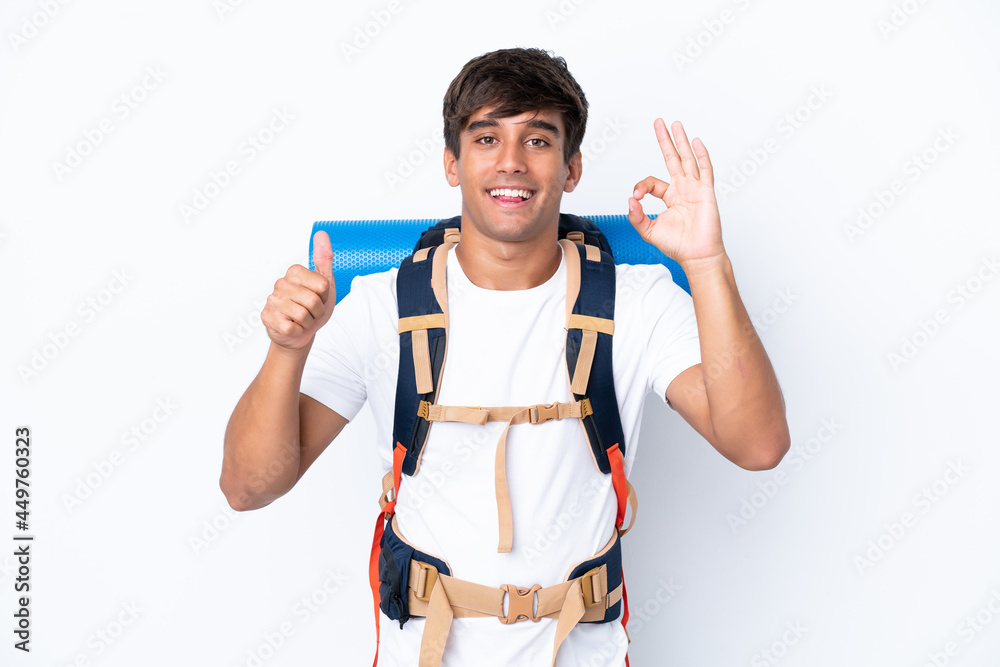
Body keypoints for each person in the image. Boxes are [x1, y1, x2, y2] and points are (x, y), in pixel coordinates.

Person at [221, 47, 790, 666]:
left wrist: (706, 265)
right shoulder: (384, 304)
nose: (512, 162)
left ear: (572, 169)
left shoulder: (635, 299)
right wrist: (287, 350)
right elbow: (248, 487)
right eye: (487, 137)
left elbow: (757, 445)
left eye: (539, 140)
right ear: (452, 163)